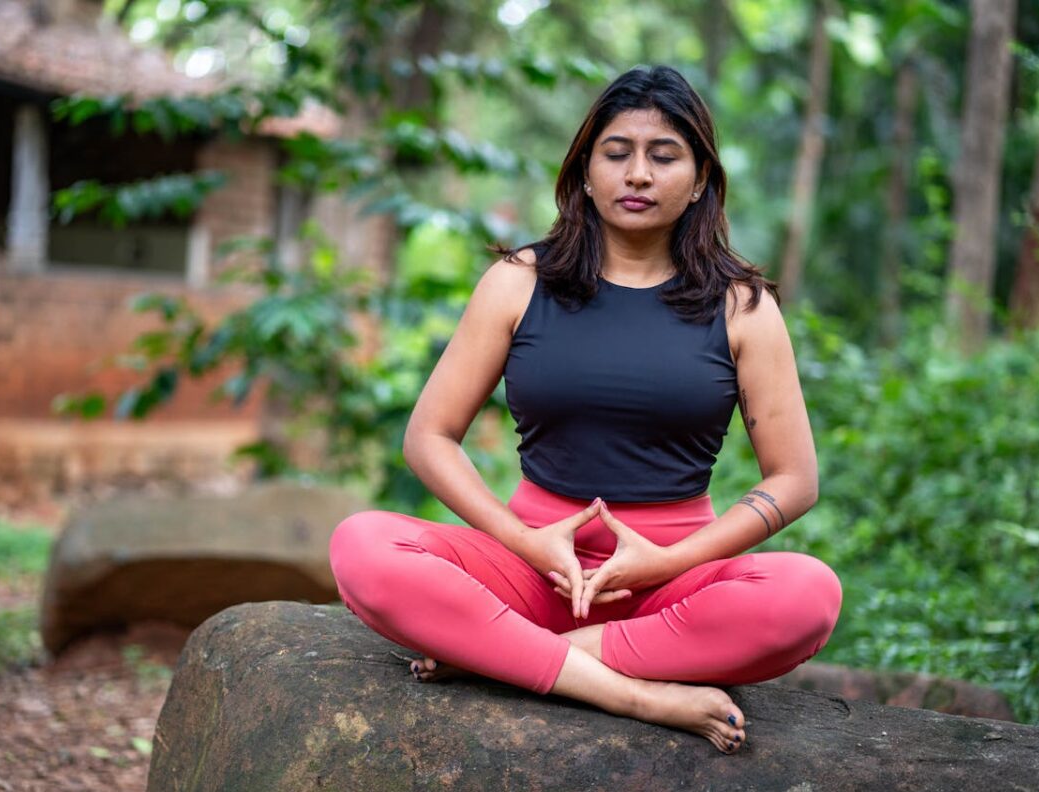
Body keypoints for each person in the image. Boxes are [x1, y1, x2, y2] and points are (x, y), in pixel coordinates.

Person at [329, 65, 842, 755]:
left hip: (673, 583)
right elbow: (429, 437)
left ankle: (507, 655)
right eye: (616, 153)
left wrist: (664, 563)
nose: (637, 174)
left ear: (698, 182)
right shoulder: (519, 281)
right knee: (362, 548)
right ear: (584, 172)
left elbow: (794, 480)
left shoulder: (742, 307)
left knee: (806, 594)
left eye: (664, 157)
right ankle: (630, 692)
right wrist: (526, 542)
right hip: (533, 567)